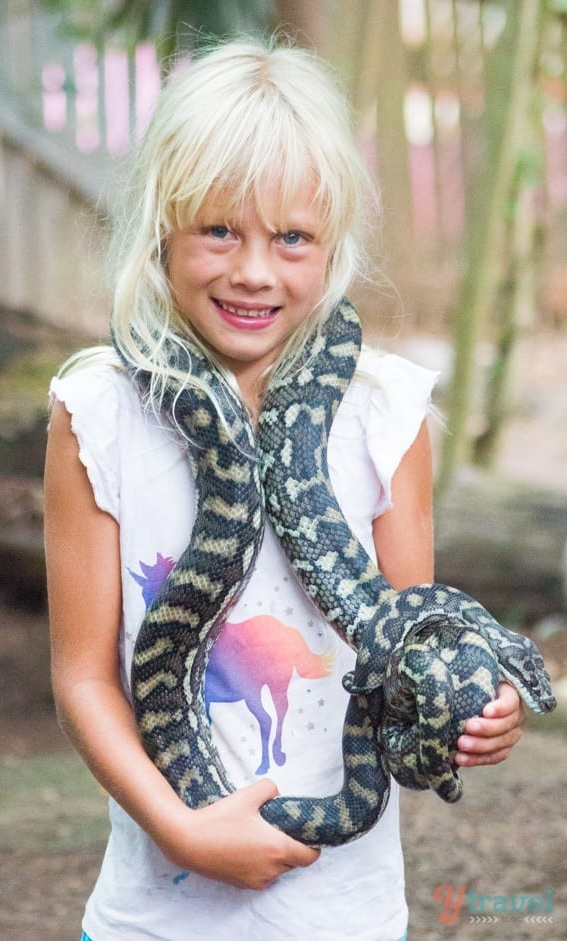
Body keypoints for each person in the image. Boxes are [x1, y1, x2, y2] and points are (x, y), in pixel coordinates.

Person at [44, 38, 525, 941]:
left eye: (292, 237)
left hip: (342, 914)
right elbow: (81, 674)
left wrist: (471, 716)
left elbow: (400, 655)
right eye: (219, 229)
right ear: (161, 229)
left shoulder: (385, 412)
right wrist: (182, 828)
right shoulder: (96, 410)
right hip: (153, 918)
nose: (254, 271)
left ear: (334, 240)